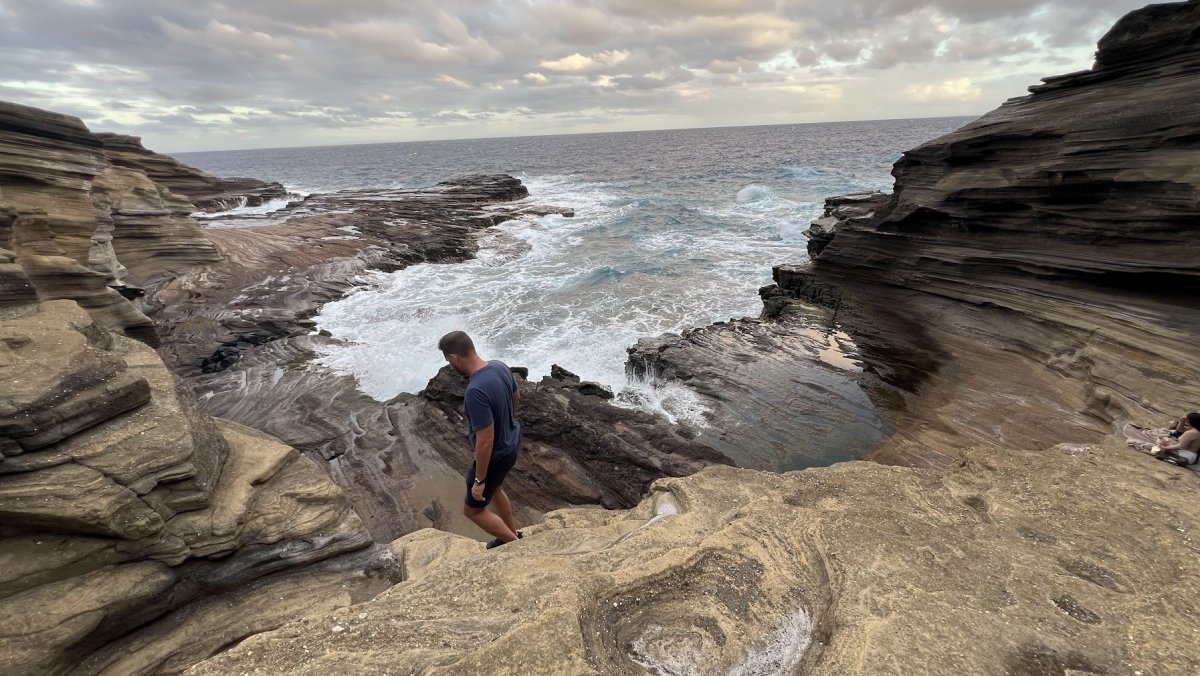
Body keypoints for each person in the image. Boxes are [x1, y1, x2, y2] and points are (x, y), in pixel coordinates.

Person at [438, 330, 523, 548]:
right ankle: (512, 534)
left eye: (449, 361)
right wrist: (508, 420)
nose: (450, 366)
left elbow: (485, 440)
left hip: (495, 455)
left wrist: (479, 480)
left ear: (454, 358)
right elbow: (516, 396)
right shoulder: (499, 366)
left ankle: (515, 545)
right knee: (495, 490)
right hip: (512, 442)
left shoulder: (475, 391)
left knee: (473, 510)